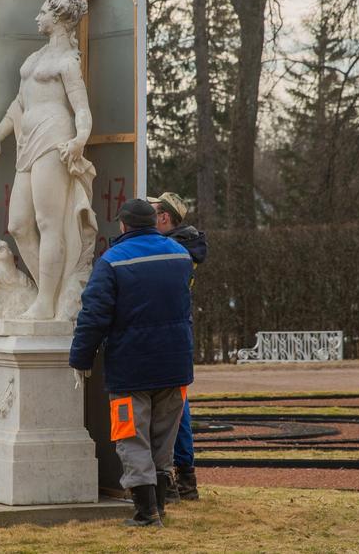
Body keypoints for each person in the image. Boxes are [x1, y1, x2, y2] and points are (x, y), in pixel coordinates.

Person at [69, 200, 194, 527]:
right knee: (162, 440)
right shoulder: (180, 255)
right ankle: (162, 505)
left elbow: (93, 316)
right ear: (154, 221)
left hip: (131, 369)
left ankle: (145, 513)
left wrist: (81, 357)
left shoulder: (111, 262)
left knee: (131, 438)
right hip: (175, 366)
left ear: (123, 226)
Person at [0, 0, 98, 321]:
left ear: (61, 16)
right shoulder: (34, 59)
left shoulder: (68, 61)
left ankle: (47, 303)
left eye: (43, 11)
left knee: (50, 223)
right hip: (27, 140)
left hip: (54, 136)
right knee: (18, 224)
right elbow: (19, 103)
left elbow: (82, 109)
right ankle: (52, 293)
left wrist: (80, 140)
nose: (37, 17)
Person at [149, 191, 209, 502]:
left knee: (176, 411)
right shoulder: (185, 247)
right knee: (176, 408)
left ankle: (178, 478)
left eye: (154, 211)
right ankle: (182, 479)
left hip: (167, 338)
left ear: (164, 218)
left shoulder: (176, 250)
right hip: (174, 337)